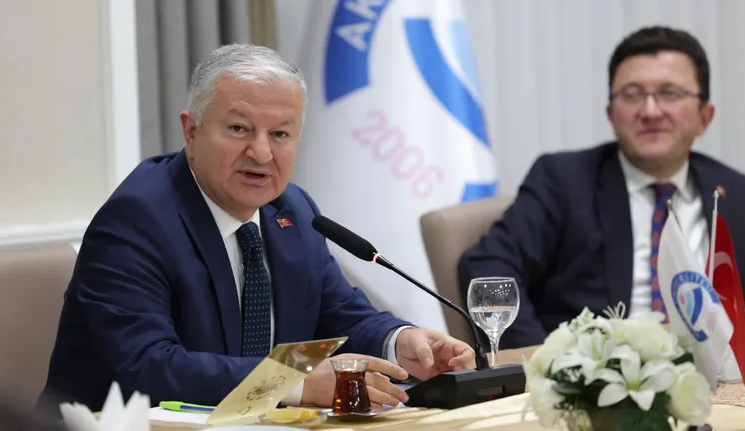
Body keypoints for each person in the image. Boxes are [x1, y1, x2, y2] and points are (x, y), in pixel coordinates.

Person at [38, 44, 473, 413]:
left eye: (280, 134)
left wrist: (401, 343)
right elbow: (149, 367)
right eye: (238, 128)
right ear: (191, 131)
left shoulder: (292, 211)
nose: (261, 153)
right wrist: (291, 383)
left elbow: (340, 317)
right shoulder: (137, 220)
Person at [459, 26, 745, 348]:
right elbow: (487, 268)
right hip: (595, 370)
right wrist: (542, 358)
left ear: (705, 116)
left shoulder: (737, 194)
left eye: (670, 93)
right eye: (632, 95)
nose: (650, 111)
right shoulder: (563, 180)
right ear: (611, 114)